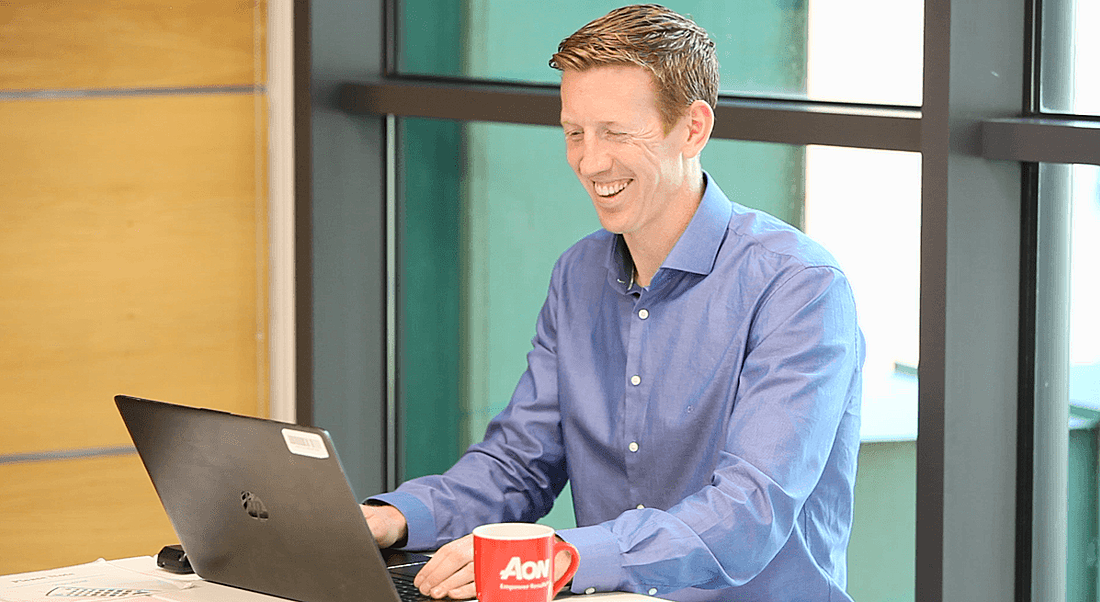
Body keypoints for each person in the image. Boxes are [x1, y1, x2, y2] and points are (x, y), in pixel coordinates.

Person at [363, 4, 864, 601]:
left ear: (693, 129)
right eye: (575, 132)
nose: (590, 161)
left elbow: (747, 514)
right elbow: (520, 463)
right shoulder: (578, 274)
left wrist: (567, 556)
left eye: (617, 133)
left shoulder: (798, 287)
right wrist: (396, 517)